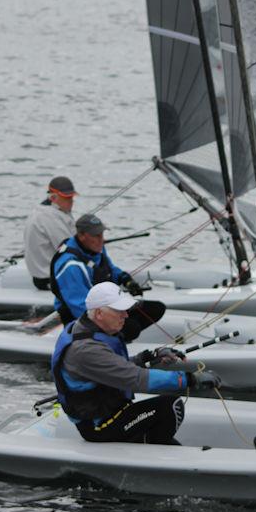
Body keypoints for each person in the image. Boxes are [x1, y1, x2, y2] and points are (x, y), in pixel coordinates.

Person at [51, 281, 221, 444]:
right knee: (170, 406)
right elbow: (136, 379)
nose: (125, 315)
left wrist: (150, 356)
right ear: (99, 314)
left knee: (165, 410)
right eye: (119, 310)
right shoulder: (86, 349)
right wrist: (190, 379)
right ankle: (153, 455)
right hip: (100, 426)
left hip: (113, 410)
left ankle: (149, 444)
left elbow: (114, 366)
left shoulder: (88, 328)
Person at [50, 212, 165, 341]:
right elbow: (80, 307)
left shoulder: (95, 248)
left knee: (157, 308)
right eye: (97, 235)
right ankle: (108, 340)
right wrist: (114, 321)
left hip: (104, 305)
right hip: (81, 316)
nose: (102, 239)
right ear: (82, 236)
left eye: (102, 234)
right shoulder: (70, 266)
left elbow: (109, 268)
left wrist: (126, 280)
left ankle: (116, 337)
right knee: (132, 328)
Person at [24, 175, 78, 290]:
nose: (71, 202)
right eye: (67, 198)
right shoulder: (49, 217)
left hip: (49, 273)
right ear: (53, 198)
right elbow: (70, 248)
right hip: (49, 279)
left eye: (71, 198)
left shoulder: (53, 211)